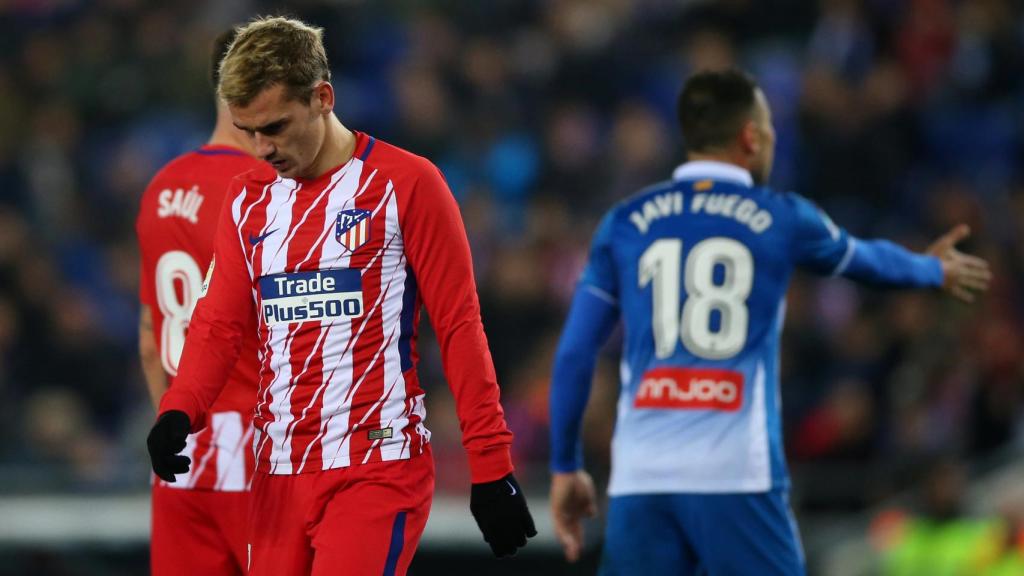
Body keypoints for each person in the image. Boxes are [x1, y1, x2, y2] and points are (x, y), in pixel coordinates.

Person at [548, 69, 991, 575]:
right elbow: (865, 261)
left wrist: (564, 465)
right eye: (770, 128)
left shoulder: (625, 221)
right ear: (750, 137)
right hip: (735, 472)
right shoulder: (781, 216)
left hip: (643, 477)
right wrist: (931, 268)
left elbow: (576, 352)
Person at [145, 16, 535, 576]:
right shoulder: (247, 200)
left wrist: (491, 464)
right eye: (247, 130)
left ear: (323, 97)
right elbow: (219, 324)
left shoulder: (408, 184)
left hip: (376, 465)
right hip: (277, 470)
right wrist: (179, 410)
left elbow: (459, 325)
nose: (262, 148)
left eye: (275, 127)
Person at [136, 28, 262, 576]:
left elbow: (149, 338)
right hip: (258, 450)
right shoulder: (262, 189)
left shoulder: (162, 186)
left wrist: (171, 422)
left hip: (180, 456)